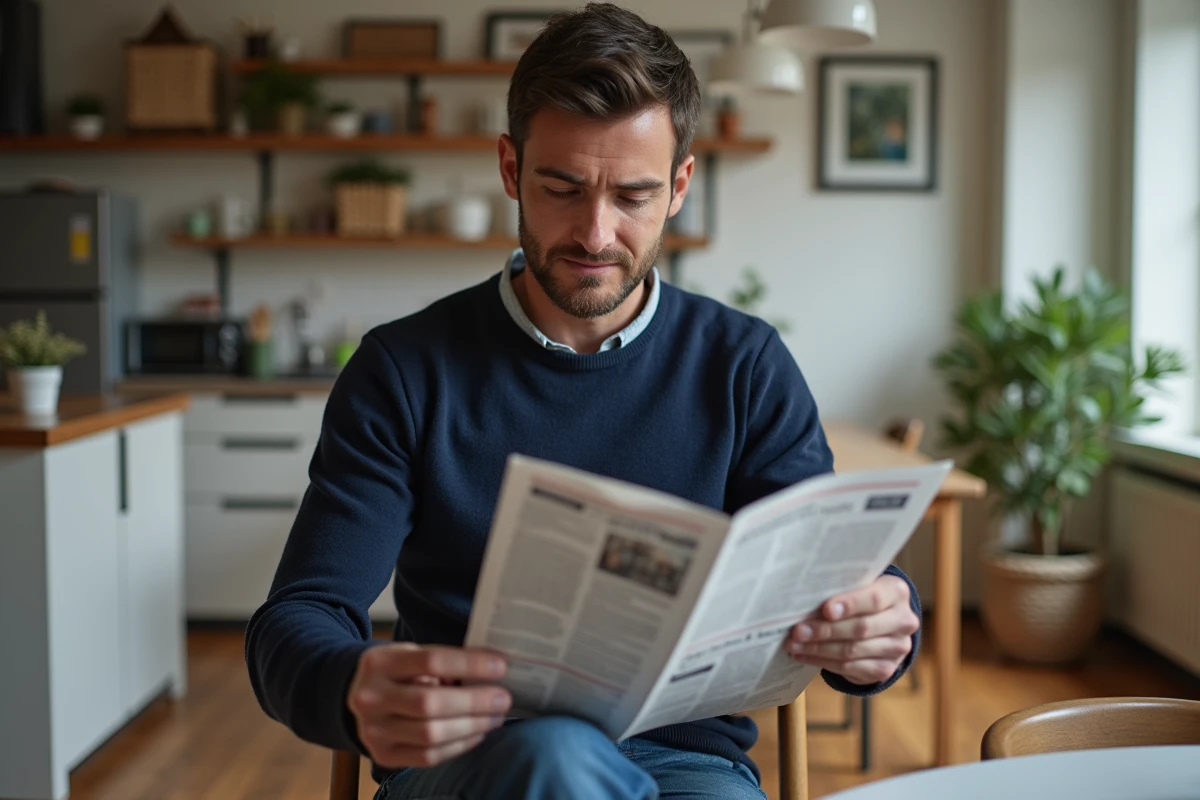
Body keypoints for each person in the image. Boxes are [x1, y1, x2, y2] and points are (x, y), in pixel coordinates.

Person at [245, 4, 922, 799]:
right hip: (471, 764)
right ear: (510, 169)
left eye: (633, 196)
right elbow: (298, 617)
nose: (596, 234)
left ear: (679, 186)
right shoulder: (405, 371)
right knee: (555, 759)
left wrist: (880, 620)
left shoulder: (743, 366)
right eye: (562, 188)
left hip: (687, 764)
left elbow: (831, 573)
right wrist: (351, 686)